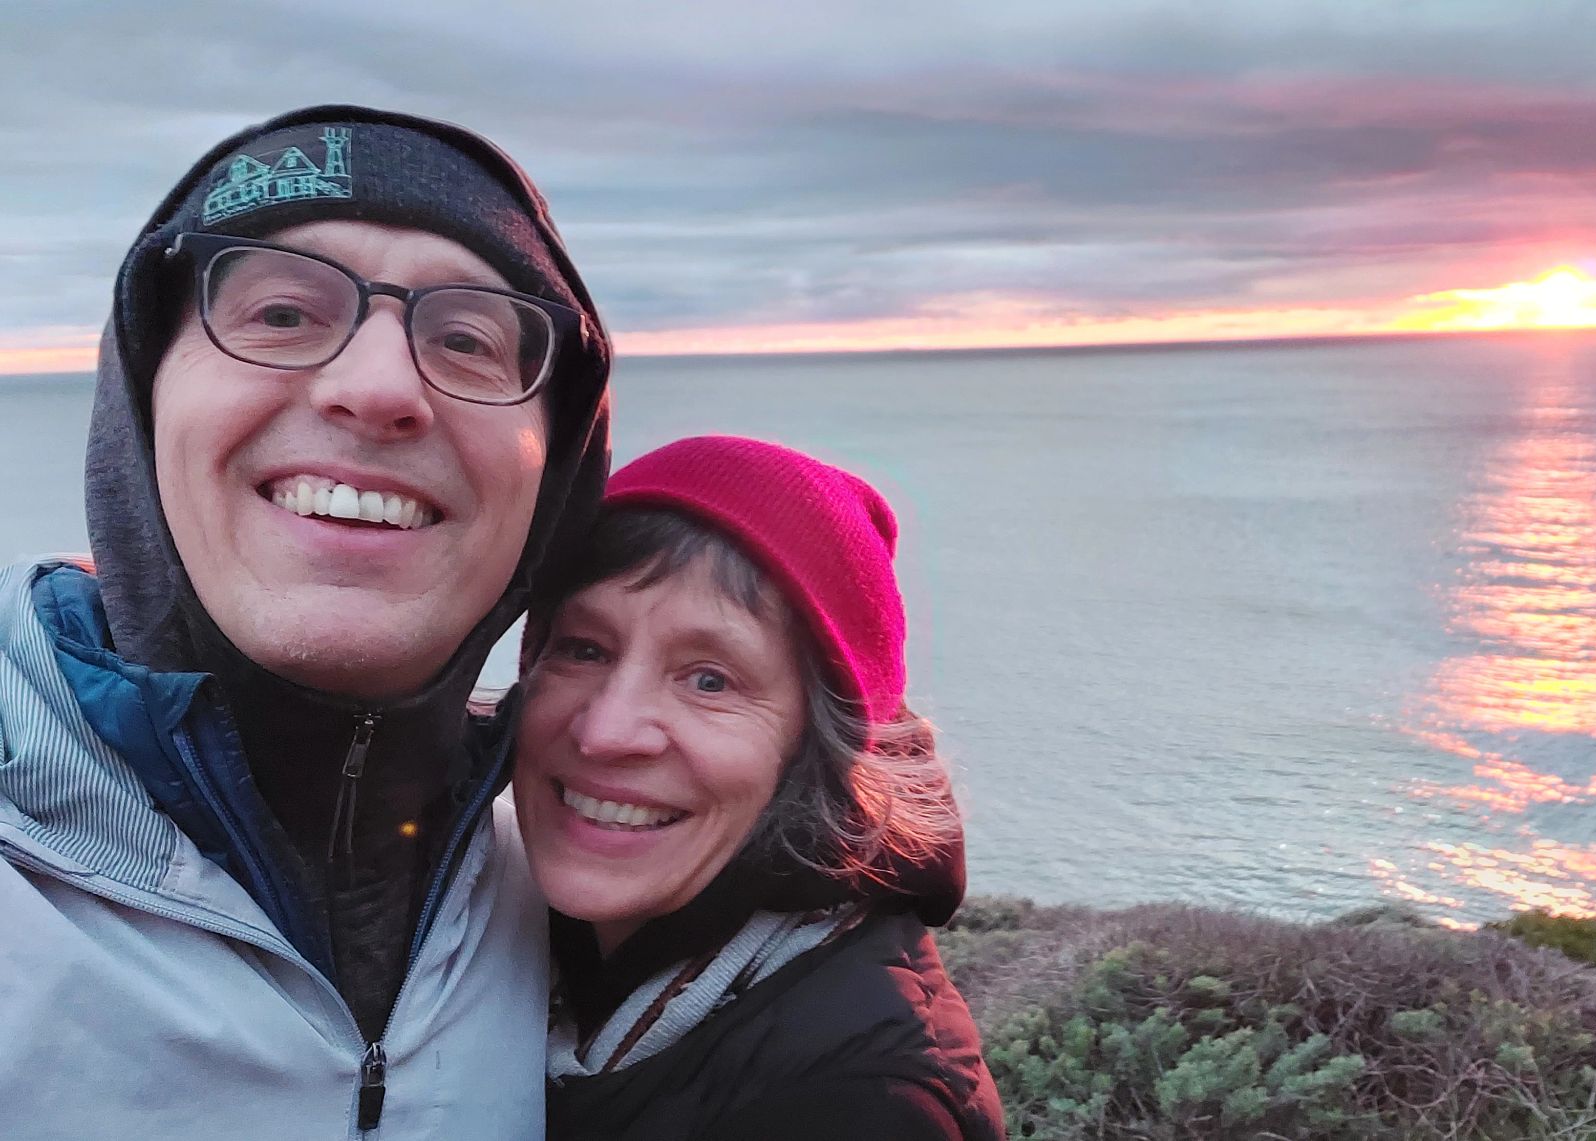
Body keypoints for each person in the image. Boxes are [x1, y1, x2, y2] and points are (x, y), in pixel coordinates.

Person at [0, 105, 612, 1137]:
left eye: (466, 338)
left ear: (552, 473)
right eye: (281, 313)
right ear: (144, 398)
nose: (377, 388)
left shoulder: (566, 884)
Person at [513, 436, 1004, 1140]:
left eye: (710, 678)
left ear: (815, 749)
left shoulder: (862, 1105)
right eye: (583, 649)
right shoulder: (504, 937)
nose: (605, 730)